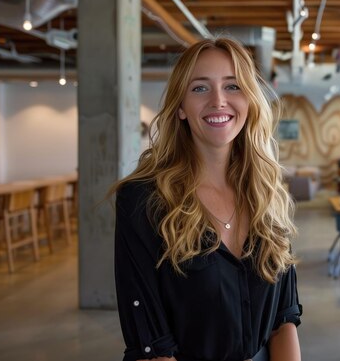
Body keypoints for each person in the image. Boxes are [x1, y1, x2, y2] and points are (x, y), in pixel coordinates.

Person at [113, 37, 302, 361]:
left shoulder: (267, 193)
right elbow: (153, 346)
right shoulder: (143, 201)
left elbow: (283, 320)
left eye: (232, 87)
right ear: (181, 107)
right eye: (200, 88)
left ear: (250, 101)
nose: (218, 101)